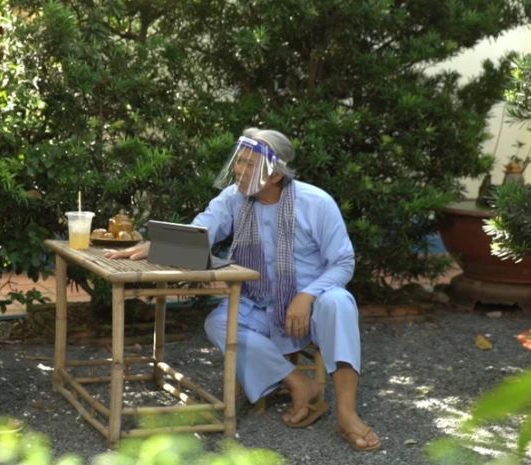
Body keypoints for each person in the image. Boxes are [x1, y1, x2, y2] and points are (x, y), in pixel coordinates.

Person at [107, 128, 380, 451]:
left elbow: (343, 263)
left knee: (339, 302)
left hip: (311, 307)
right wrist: (156, 246)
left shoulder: (316, 202)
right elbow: (200, 232)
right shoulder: (233, 198)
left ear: (276, 175)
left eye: (250, 164)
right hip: (259, 303)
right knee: (217, 323)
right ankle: (299, 384)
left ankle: (347, 414)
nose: (239, 170)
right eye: (239, 161)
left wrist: (307, 296)